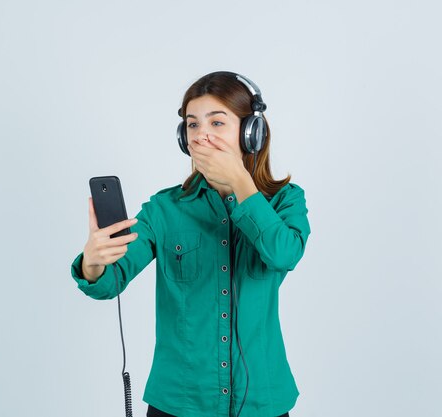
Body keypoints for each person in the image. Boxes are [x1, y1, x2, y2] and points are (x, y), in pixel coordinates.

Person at [70, 71, 311, 417]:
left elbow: (284, 253)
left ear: (251, 133)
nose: (202, 136)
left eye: (217, 123)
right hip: (178, 404)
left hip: (263, 402)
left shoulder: (285, 201)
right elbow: (109, 281)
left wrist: (242, 184)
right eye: (193, 125)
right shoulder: (164, 209)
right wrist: (93, 262)